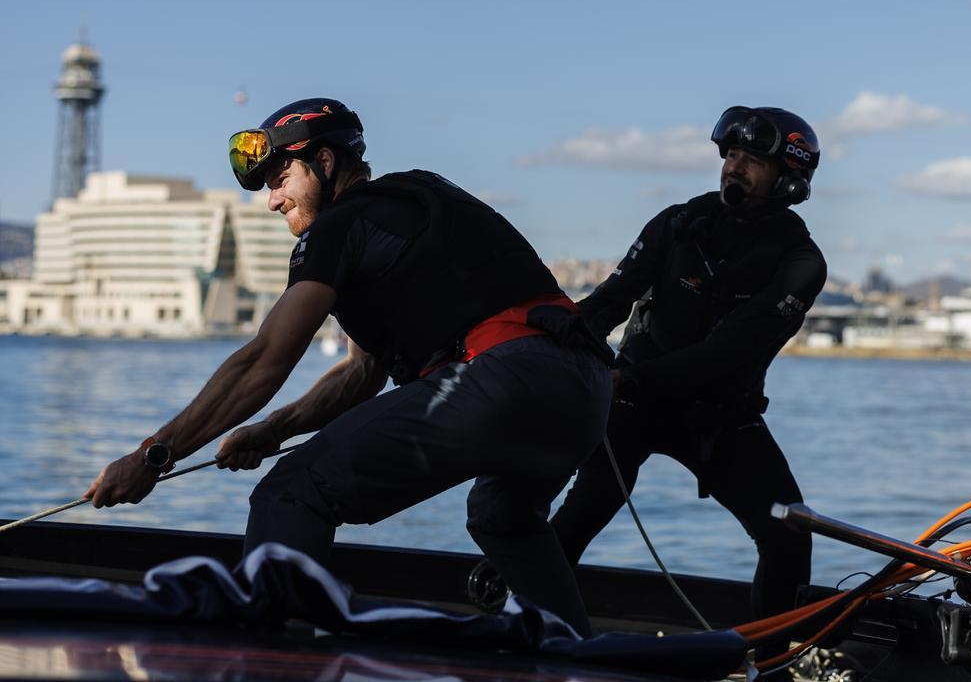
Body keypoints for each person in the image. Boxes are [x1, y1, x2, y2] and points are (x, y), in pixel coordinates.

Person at [86, 98, 612, 636]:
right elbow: (362, 373)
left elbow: (264, 360)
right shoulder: (421, 196)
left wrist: (153, 457)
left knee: (291, 491)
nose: (273, 201)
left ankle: (269, 663)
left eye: (281, 177)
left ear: (326, 163)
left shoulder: (339, 224)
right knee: (503, 515)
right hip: (585, 390)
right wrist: (273, 429)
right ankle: (569, 657)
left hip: (500, 378)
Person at [549, 105, 826, 654]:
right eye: (731, 156)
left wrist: (627, 380)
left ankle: (766, 663)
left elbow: (728, 351)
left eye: (752, 160)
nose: (734, 168)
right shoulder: (679, 223)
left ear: (789, 178)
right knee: (582, 513)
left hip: (719, 415)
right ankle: (524, 625)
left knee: (789, 534)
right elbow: (608, 301)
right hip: (631, 407)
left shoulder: (801, 261)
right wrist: (558, 335)